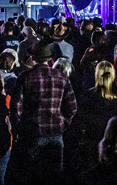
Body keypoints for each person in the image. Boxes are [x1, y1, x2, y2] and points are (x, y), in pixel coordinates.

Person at [10, 43, 77, 175]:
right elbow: (72, 106)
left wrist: (21, 127)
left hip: (32, 132)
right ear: (49, 59)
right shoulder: (61, 77)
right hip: (56, 133)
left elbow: (16, 107)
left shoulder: (25, 76)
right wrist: (63, 123)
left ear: (33, 58)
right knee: (54, 175)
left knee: (32, 175)